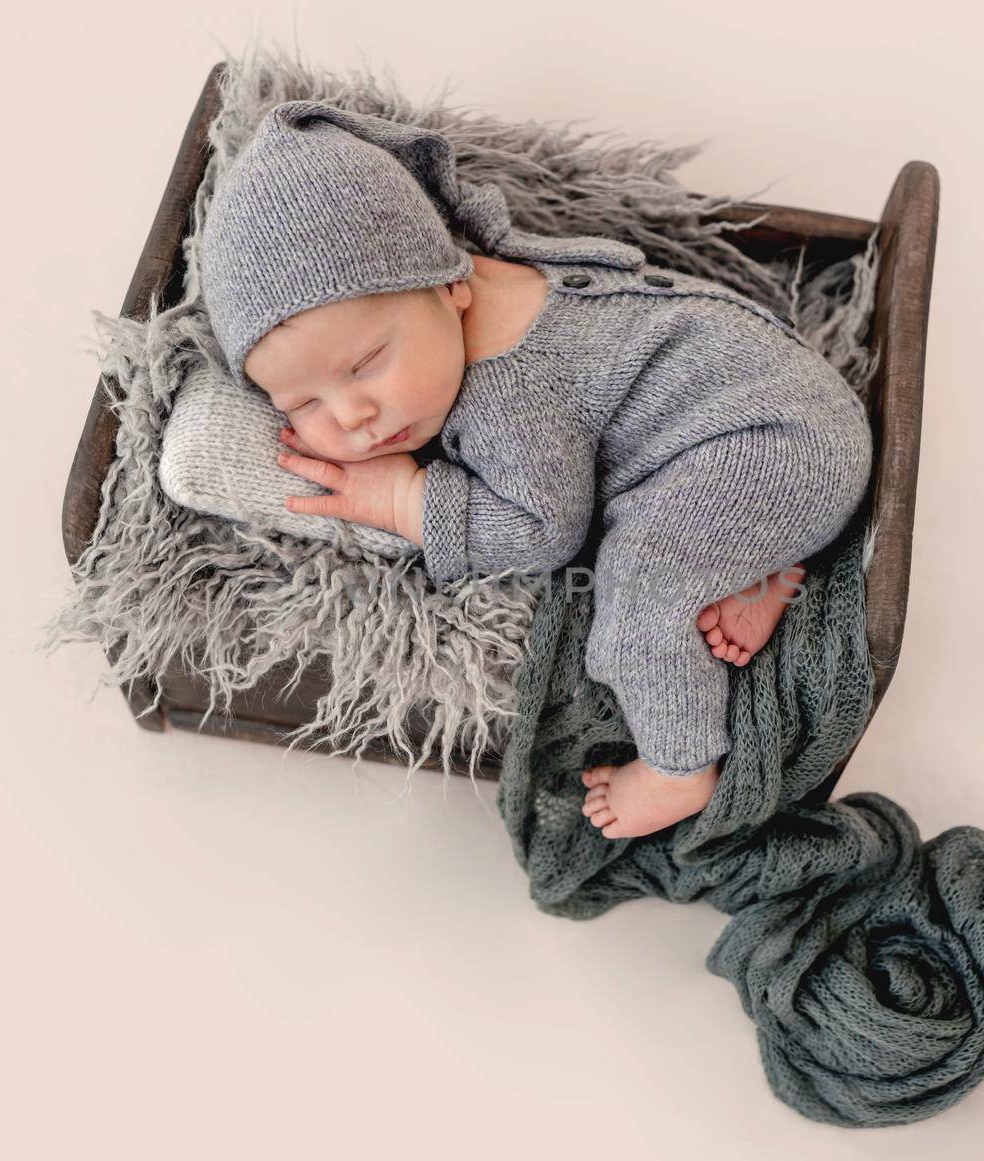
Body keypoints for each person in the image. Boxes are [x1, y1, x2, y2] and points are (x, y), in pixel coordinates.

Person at [199, 100, 871, 839]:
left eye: (367, 363)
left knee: (641, 585)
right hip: (783, 410)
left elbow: (546, 529)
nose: (354, 414)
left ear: (449, 285)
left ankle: (681, 765)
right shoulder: (492, 276)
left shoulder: (507, 396)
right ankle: (767, 564)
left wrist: (406, 498)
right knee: (687, 528)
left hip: (770, 446)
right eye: (304, 401)